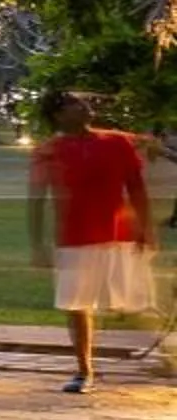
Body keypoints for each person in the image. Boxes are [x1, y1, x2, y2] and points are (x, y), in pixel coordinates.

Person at [29, 92, 155, 392]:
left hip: (117, 234)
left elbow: (136, 187)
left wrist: (146, 227)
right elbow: (35, 200)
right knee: (77, 304)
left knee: (133, 299)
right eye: (74, 103)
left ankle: (158, 358)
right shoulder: (49, 150)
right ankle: (84, 370)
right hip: (74, 236)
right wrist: (37, 244)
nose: (85, 106)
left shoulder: (116, 142)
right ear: (58, 115)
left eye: (84, 102)